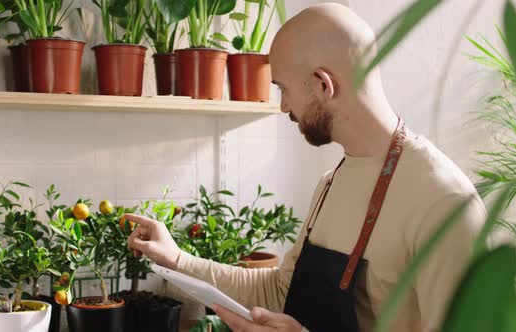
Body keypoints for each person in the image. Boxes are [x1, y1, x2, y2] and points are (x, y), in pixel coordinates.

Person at [125, 3, 486, 331]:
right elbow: (280, 291)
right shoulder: (333, 181)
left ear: (323, 84)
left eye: (283, 88)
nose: (283, 107)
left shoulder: (443, 202)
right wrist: (175, 258)